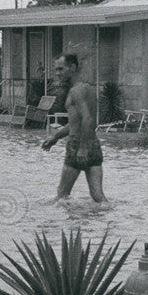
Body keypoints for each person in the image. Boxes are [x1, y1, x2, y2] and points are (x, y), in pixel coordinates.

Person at [41, 53, 107, 203]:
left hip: (77, 145)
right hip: (94, 145)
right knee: (98, 196)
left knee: (62, 195)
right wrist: (55, 137)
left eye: (60, 69)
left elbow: (88, 119)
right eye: (56, 70)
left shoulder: (75, 91)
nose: (57, 73)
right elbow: (75, 122)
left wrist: (82, 148)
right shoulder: (88, 89)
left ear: (73, 68)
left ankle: (63, 226)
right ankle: (109, 221)